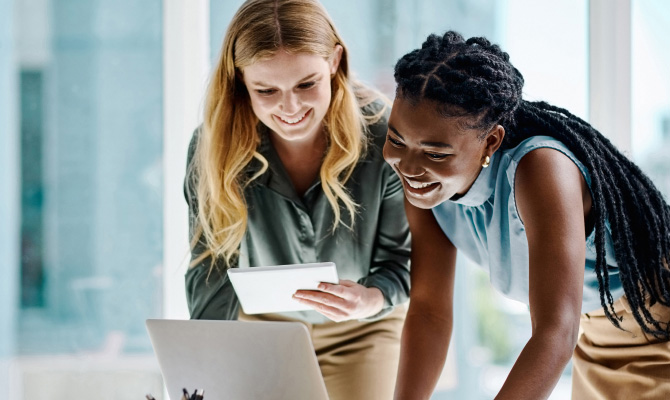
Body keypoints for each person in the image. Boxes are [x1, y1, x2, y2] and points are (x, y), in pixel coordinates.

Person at [384, 31, 670, 399]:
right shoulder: (424, 187)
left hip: (657, 328)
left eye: (435, 153)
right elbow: (429, 311)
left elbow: (554, 332)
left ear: (491, 141)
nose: (408, 166)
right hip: (596, 335)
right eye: (396, 140)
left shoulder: (540, 168)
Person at [183, 1, 411, 399]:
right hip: (264, 329)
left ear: (335, 61)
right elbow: (211, 268)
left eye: (307, 84)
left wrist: (370, 298)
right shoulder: (212, 147)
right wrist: (206, 369)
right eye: (265, 90)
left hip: (364, 327)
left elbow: (402, 262)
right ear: (240, 81)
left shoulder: (384, 134)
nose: (290, 108)